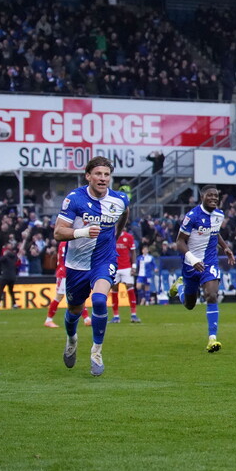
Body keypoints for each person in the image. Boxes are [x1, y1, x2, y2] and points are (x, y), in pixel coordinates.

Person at [53, 156, 130, 376]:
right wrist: (82, 232)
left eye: (106, 174)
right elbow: (58, 232)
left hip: (104, 259)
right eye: (98, 174)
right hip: (77, 263)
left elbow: (124, 213)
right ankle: (72, 339)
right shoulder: (74, 199)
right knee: (74, 309)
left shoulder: (120, 199)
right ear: (88, 176)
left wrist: (117, 234)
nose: (103, 178)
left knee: (98, 299)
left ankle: (96, 352)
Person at [167, 186, 236, 353]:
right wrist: (192, 259)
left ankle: (212, 339)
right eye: (210, 195)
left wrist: (225, 247)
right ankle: (180, 287)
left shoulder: (219, 215)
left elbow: (215, 232)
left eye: (216, 195)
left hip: (210, 262)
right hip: (191, 264)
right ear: (202, 197)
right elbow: (180, 241)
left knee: (212, 295)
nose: (214, 198)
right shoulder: (192, 216)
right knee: (189, 305)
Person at [44, 241, 91, 327]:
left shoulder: (65, 242)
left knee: (78, 295)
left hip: (68, 273)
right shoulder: (68, 243)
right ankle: (48, 320)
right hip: (65, 273)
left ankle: (87, 319)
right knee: (59, 296)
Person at [110, 228, 140, 323]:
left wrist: (134, 266)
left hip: (126, 267)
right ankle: (116, 317)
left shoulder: (128, 237)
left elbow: (133, 252)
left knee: (130, 288)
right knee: (114, 289)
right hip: (114, 267)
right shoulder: (111, 237)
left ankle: (133, 315)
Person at [0, 242, 19, 309]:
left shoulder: (5, 257)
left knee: (1, 288)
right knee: (11, 291)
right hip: (13, 277)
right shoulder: (14, 258)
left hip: (6, 276)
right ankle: (14, 304)